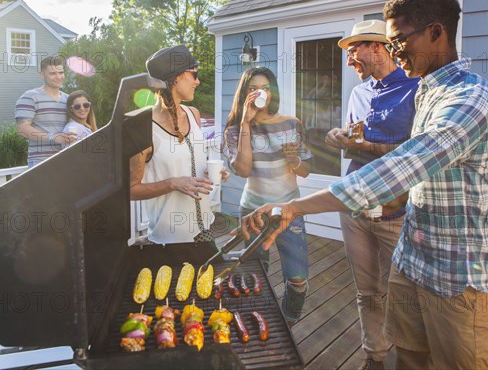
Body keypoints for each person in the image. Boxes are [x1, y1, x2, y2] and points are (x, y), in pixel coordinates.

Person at [239, 0, 488, 370]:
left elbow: (403, 166)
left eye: (399, 40)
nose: (395, 50)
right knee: (409, 358)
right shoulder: (427, 92)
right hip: (412, 258)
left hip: (458, 273)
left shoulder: (469, 99)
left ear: (436, 33)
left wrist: (293, 206)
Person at [324, 19, 419, 370]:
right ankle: (374, 356)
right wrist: (340, 138)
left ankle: (410, 358)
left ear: (377, 47)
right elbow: (353, 144)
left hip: (397, 211)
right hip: (355, 209)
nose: (350, 62)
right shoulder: (359, 93)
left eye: (354, 52)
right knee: (367, 292)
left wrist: (366, 144)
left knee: (406, 292)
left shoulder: (416, 89)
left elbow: (417, 152)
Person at [223, 66, 313, 325]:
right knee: (255, 275)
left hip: (288, 210)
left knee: (298, 280)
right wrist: (245, 123)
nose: (259, 93)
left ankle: (287, 322)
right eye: (252, 89)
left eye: (264, 88)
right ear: (244, 94)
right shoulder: (234, 130)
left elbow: (306, 170)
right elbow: (242, 170)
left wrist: (294, 160)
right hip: (252, 211)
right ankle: (259, 321)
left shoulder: (292, 124)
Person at [130, 45, 229, 248]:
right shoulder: (141, 127)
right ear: (177, 77)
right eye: (194, 74)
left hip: (205, 228)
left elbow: (190, 163)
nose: (198, 81)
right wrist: (173, 183)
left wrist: (213, 172)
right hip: (170, 239)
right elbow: (131, 190)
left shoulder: (194, 114)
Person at [16, 56, 76, 167]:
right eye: (52, 73)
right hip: (41, 161)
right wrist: (54, 137)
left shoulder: (68, 100)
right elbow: (22, 129)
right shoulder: (30, 97)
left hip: (66, 160)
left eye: (61, 72)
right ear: (42, 75)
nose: (58, 77)